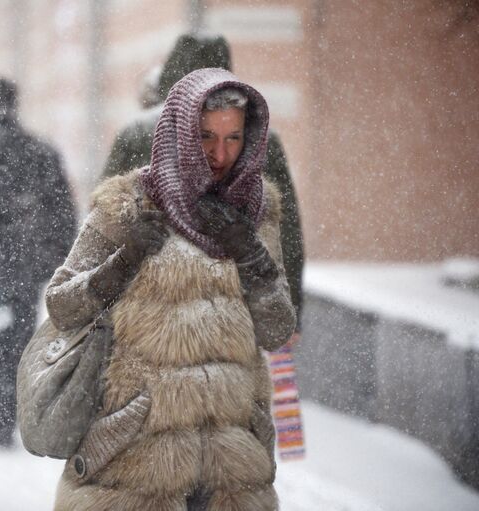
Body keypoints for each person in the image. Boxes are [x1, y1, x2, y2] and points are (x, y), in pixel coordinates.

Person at [30, 68, 296, 509]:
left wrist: (252, 258)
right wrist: (125, 260)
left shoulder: (257, 212)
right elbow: (62, 305)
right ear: (180, 133)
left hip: (229, 462)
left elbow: (276, 331)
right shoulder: (126, 204)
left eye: (233, 138)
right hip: (137, 453)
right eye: (206, 136)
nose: (219, 153)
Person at [102, 32, 304, 333]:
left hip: (143, 320)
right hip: (233, 319)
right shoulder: (261, 137)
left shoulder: (136, 131)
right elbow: (286, 231)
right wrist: (293, 306)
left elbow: (105, 220)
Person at [0, 78, 78, 447]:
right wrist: (54, 260)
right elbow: (62, 213)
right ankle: (3, 421)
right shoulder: (40, 152)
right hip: (25, 266)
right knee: (17, 343)